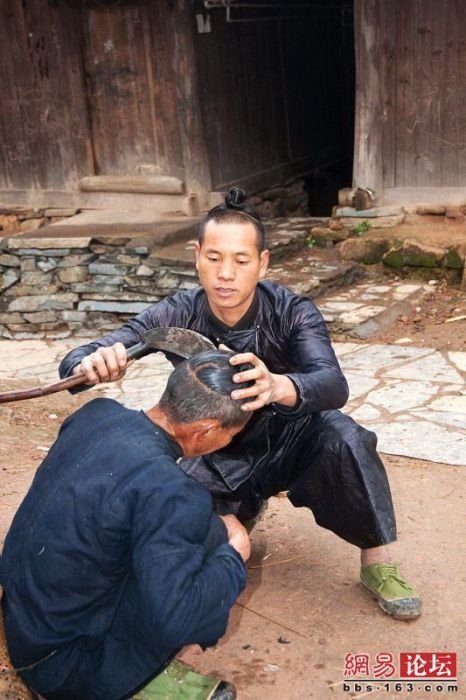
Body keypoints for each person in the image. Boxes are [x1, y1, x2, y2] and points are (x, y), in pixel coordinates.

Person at [59, 187, 422, 621]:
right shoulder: (174, 313)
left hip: (294, 437)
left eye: (241, 261)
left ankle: (377, 563)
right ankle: (238, 513)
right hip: (217, 446)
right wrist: (94, 361)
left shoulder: (292, 311)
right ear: (197, 257)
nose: (225, 274)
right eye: (214, 259)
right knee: (174, 494)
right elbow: (77, 361)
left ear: (263, 263)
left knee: (347, 438)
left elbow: (332, 384)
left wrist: (276, 386)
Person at [0, 350, 255, 700]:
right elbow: (177, 619)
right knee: (219, 540)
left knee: (204, 529)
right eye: (232, 435)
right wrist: (232, 558)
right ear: (206, 430)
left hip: (21, 616)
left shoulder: (96, 414)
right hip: (62, 664)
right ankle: (131, 681)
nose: (229, 443)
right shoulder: (174, 493)